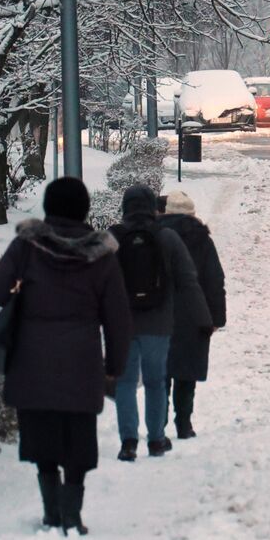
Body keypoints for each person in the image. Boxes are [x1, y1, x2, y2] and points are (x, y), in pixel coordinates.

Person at [0, 178, 132, 536]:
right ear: (85, 210)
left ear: (49, 209)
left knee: (41, 436)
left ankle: (51, 513)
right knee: (79, 436)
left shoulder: (27, 246)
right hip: (82, 361)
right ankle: (72, 515)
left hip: (32, 359)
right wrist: (115, 366)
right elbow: (118, 318)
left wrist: (26, 299)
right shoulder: (103, 256)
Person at [109, 185, 210, 461]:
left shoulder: (113, 237)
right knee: (156, 382)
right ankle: (156, 440)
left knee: (125, 383)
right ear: (153, 207)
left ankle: (128, 442)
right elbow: (188, 280)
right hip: (159, 322)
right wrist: (203, 316)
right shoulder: (167, 238)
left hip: (122, 323)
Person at [159, 190, 225, 439]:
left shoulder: (155, 236)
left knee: (162, 371)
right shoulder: (202, 239)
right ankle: (184, 423)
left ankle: (159, 421)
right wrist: (217, 317)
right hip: (194, 313)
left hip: (160, 312)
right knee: (187, 371)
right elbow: (214, 279)